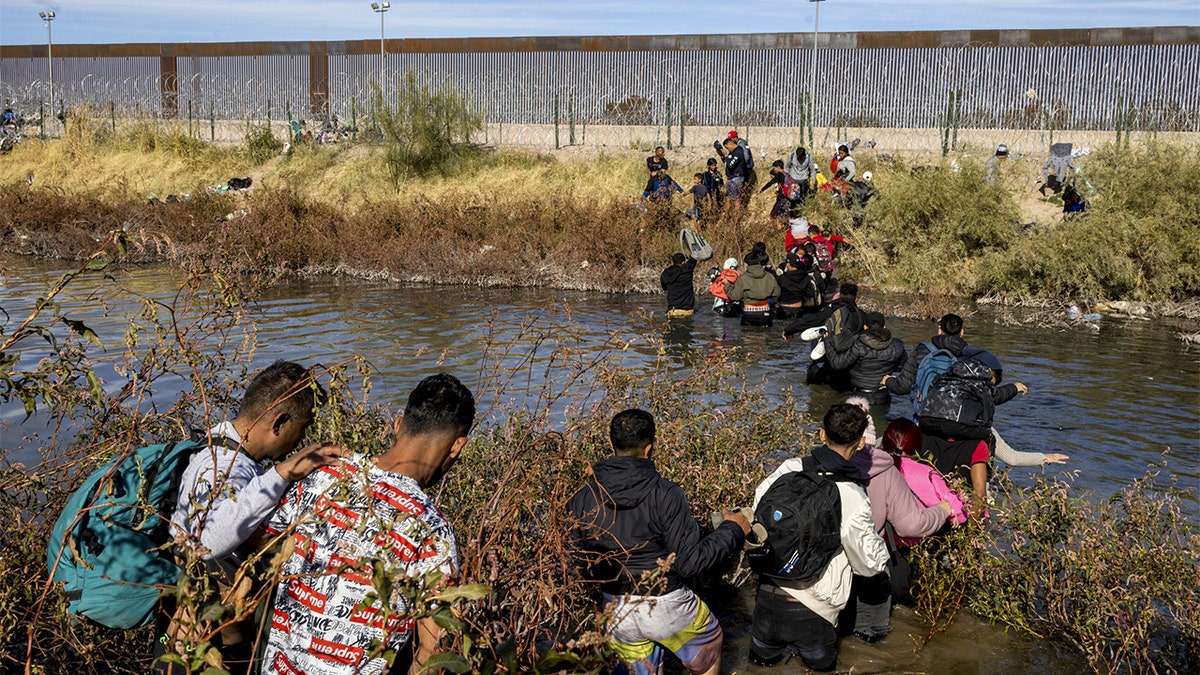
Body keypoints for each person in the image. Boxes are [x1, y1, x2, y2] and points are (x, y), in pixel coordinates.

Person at [261, 373, 476, 675]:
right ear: (457, 446)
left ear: (397, 424)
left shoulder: (321, 472)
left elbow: (259, 546)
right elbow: (435, 647)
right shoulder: (433, 530)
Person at [166, 360, 345, 674]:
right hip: (202, 650)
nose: (299, 440)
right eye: (301, 427)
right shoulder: (222, 465)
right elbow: (207, 541)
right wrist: (284, 472)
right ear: (279, 422)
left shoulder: (219, 449)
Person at [567, 409, 750, 675]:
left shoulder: (583, 498)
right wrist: (733, 529)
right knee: (709, 645)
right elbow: (690, 564)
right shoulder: (666, 493)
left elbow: (574, 565)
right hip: (668, 604)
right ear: (650, 448)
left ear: (610, 444)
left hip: (616, 610)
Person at [748, 403, 889, 671]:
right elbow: (868, 563)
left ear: (822, 434)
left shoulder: (789, 468)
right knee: (820, 670)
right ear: (860, 444)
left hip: (766, 595)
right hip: (814, 609)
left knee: (759, 667)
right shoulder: (851, 494)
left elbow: (758, 510)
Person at [842, 399, 953, 642]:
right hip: (871, 564)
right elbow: (911, 525)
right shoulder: (887, 470)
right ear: (869, 442)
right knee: (869, 636)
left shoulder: (815, 465)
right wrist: (943, 510)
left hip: (830, 564)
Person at [918, 350, 1027, 503]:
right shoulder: (982, 383)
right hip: (958, 425)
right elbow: (997, 396)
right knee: (988, 438)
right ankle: (985, 483)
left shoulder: (944, 377)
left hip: (927, 421)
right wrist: (1014, 388)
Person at [823, 312, 906, 406]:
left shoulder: (858, 344)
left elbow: (837, 364)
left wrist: (827, 341)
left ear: (865, 327)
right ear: (884, 327)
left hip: (859, 396)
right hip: (883, 396)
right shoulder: (897, 344)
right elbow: (902, 367)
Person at [725, 246, 780, 327]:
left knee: (747, 337)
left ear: (746, 264)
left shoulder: (743, 278)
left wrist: (727, 285)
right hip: (765, 312)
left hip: (748, 313)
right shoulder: (769, 276)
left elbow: (735, 296)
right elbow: (777, 293)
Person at [775, 252, 822, 321]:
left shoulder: (782, 278)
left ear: (788, 264)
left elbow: (776, 294)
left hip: (783, 310)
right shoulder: (806, 277)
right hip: (798, 309)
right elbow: (810, 293)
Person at [661, 252, 698, 317]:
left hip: (673, 310)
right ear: (683, 262)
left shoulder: (666, 273)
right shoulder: (687, 271)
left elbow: (664, 288)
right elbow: (693, 260)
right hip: (687, 310)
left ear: (673, 261)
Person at [721, 137, 749, 210]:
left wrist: (726, 156)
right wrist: (723, 156)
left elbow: (730, 165)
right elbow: (727, 162)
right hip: (731, 178)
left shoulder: (738, 152)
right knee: (728, 197)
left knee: (736, 198)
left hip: (736, 178)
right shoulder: (733, 153)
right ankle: (727, 216)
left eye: (727, 148)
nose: (727, 150)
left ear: (731, 144)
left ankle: (736, 218)